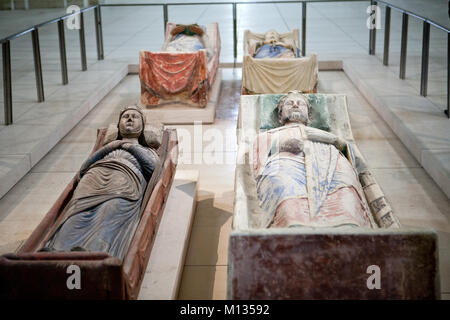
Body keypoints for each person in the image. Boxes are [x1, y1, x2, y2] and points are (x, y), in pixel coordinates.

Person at [41, 106, 160, 258]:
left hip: (123, 183)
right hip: (92, 180)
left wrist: (128, 146)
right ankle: (58, 249)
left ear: (143, 127)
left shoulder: (147, 150)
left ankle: (96, 251)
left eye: (134, 117)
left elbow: (152, 169)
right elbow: (83, 169)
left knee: (109, 213)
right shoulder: (107, 148)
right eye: (125, 116)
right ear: (118, 126)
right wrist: (111, 146)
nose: (129, 118)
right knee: (76, 215)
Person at [252, 91, 376, 228]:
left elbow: (353, 157)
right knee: (284, 190)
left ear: (309, 117)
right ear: (280, 116)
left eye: (301, 103)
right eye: (289, 103)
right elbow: (259, 157)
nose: (295, 104)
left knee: (347, 192)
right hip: (288, 165)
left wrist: (334, 140)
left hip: (331, 163)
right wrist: (282, 145)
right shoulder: (270, 134)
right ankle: (294, 228)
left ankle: (349, 228)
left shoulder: (327, 135)